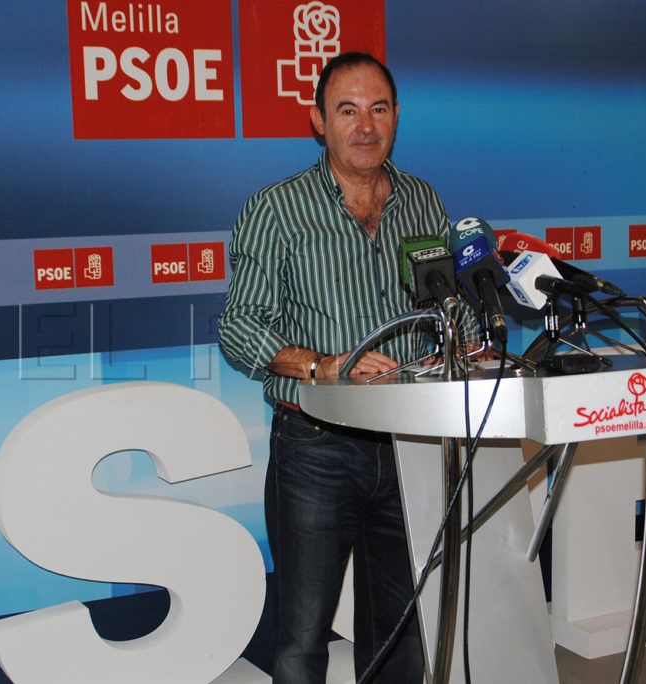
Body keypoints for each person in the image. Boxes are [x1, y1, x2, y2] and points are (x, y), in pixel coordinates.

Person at [219, 52, 467, 682]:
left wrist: (464, 337)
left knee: (400, 633)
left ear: (396, 117)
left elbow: (448, 307)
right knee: (303, 639)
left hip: (411, 443)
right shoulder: (276, 209)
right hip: (316, 449)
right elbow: (238, 325)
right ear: (318, 121)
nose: (365, 126)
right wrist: (323, 365)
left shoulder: (422, 200)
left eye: (378, 109)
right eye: (347, 110)